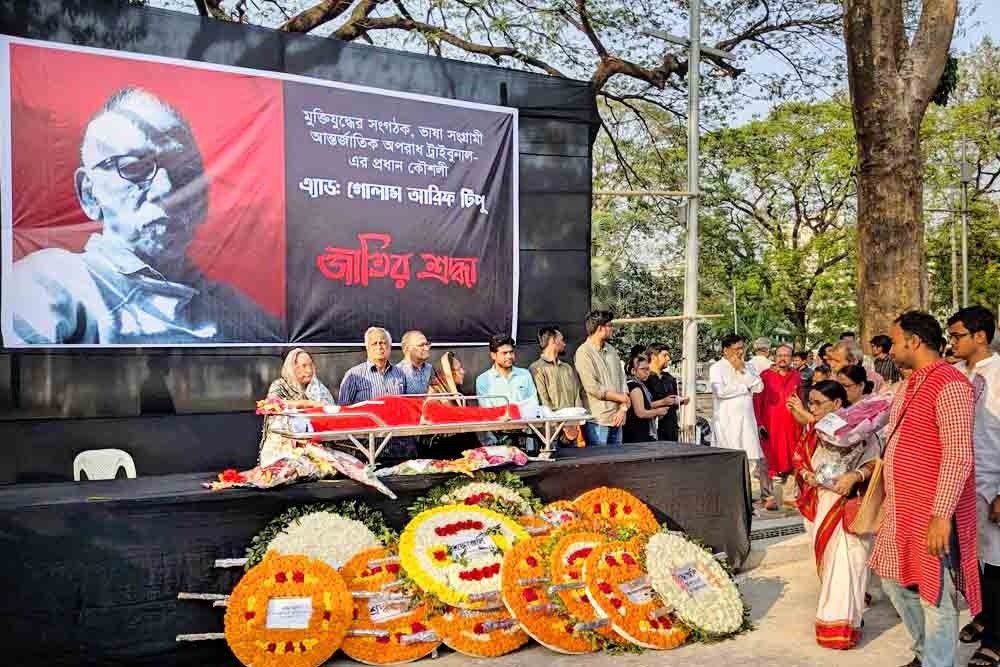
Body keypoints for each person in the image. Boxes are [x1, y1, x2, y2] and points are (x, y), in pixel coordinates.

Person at [8, 87, 280, 345]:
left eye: (185, 173)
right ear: (89, 194)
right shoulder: (53, 285)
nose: (167, 189)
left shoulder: (236, 311)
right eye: (135, 166)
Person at [871, 310, 980, 667]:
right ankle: (924, 652)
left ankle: (937, 662)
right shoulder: (909, 383)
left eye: (894, 340)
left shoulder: (950, 383)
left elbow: (958, 455)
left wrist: (941, 515)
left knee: (936, 597)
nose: (890, 348)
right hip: (903, 508)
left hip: (933, 511)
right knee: (893, 579)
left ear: (914, 341)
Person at [793, 380, 880, 649]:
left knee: (851, 564)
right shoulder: (813, 430)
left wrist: (855, 476)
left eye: (819, 403)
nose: (813, 408)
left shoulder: (863, 430)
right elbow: (799, 458)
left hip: (850, 503)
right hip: (822, 502)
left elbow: (874, 463)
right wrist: (809, 475)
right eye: (811, 403)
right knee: (831, 564)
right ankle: (838, 621)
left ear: (838, 404)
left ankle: (846, 624)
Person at [947, 306, 1000, 667]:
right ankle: (983, 616)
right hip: (958, 481)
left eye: (957, 335)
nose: (951, 342)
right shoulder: (954, 375)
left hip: (991, 481)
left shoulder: (998, 374)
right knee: (966, 558)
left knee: (996, 562)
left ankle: (996, 640)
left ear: (979, 336)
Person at [709, 334, 766, 502]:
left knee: (749, 461)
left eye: (742, 348)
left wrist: (742, 370)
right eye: (736, 349)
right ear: (726, 350)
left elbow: (759, 388)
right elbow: (720, 392)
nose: (740, 352)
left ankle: (743, 499)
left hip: (747, 421)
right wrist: (744, 388)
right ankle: (728, 499)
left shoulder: (748, 366)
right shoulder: (717, 368)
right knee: (728, 460)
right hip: (726, 422)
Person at [258, 348, 335, 466]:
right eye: (303, 366)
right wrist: (308, 404)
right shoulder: (279, 385)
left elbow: (330, 410)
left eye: (310, 365)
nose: (309, 370)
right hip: (285, 446)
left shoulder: (318, 388)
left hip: (314, 444)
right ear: (292, 368)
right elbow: (271, 405)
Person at [754, 344, 802, 508]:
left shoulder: (796, 375)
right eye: (780, 355)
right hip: (770, 425)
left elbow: (800, 399)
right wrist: (759, 423)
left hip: (791, 425)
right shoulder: (765, 376)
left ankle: (789, 496)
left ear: (791, 358)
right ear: (774, 357)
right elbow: (757, 401)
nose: (783, 358)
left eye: (786, 355)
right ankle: (767, 497)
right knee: (767, 459)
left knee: (791, 458)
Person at [575, 310, 630, 447]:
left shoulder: (612, 350)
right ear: (600, 328)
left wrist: (623, 408)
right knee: (600, 466)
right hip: (598, 421)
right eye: (610, 325)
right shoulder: (583, 352)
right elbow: (593, 388)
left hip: (618, 418)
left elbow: (623, 382)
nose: (612, 329)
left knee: (618, 464)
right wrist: (621, 398)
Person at [529, 326, 586, 446]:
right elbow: (543, 402)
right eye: (562, 339)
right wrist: (562, 426)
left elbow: (577, 395)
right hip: (551, 433)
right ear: (552, 341)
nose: (564, 344)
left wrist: (574, 424)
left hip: (573, 431)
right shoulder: (536, 369)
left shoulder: (567, 368)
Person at [338, 327, 407, 405]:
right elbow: (344, 409)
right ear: (367, 347)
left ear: (390, 347)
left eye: (383, 343)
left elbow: (403, 405)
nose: (379, 347)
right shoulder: (353, 375)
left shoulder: (399, 373)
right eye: (374, 343)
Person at [475, 334, 539, 414]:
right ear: (493, 355)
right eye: (504, 353)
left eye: (511, 352)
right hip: (498, 425)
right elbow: (487, 411)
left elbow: (533, 403)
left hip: (525, 423)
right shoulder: (483, 380)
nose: (509, 356)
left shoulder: (525, 374)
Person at [623, 352, 670, 443]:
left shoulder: (640, 385)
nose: (646, 372)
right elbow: (640, 413)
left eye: (648, 369)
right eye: (642, 369)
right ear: (633, 371)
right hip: (637, 434)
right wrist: (658, 412)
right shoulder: (635, 387)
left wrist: (664, 402)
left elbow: (646, 404)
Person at [645, 343, 688, 442]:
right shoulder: (645, 379)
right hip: (650, 431)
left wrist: (679, 401)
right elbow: (641, 406)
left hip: (670, 430)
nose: (668, 358)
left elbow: (674, 402)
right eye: (665, 355)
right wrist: (663, 403)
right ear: (653, 357)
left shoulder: (669, 378)